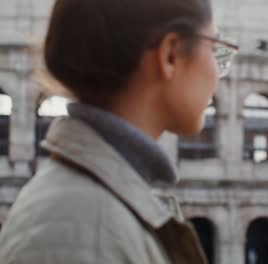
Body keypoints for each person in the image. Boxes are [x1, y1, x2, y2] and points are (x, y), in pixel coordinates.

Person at [0, 0, 238, 263]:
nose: (218, 74)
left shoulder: (88, 210)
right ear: (170, 53)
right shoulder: (87, 231)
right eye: (215, 49)